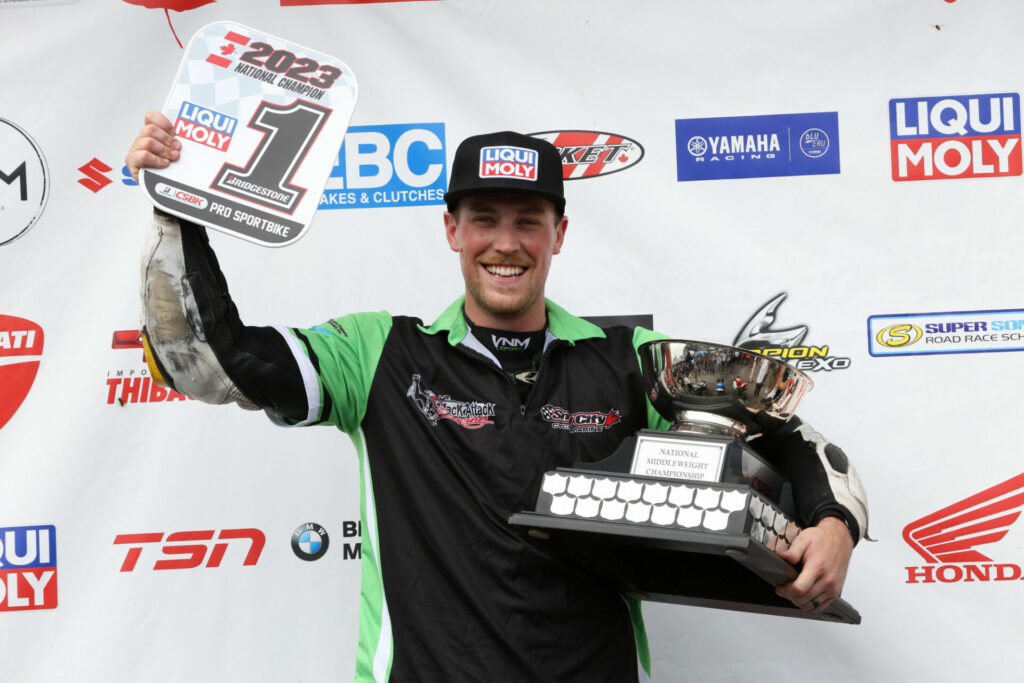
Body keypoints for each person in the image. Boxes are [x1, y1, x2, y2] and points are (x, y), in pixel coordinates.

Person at [127, 112, 869, 682]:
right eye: (484, 218)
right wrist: (176, 211)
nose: (504, 242)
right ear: (451, 228)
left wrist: (834, 524)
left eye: (528, 221)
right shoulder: (379, 351)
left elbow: (785, 432)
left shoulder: (627, 359)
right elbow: (212, 363)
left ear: (559, 234)